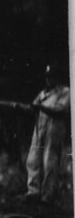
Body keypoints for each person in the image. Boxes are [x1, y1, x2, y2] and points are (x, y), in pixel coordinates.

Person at [25, 64, 71, 204]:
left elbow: (60, 110)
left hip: (54, 128)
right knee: (33, 160)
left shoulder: (65, 91)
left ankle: (48, 195)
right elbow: (33, 107)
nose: (49, 79)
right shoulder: (43, 93)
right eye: (48, 76)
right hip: (40, 127)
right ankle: (33, 192)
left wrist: (40, 107)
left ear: (58, 77)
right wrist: (27, 108)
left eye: (52, 76)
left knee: (49, 161)